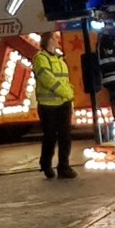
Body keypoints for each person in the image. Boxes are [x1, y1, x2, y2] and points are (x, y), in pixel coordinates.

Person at [33, 30, 77, 179]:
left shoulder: (60, 59)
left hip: (63, 103)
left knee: (65, 136)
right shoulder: (40, 58)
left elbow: (65, 80)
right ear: (49, 40)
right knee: (50, 137)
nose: (58, 40)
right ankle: (46, 164)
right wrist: (67, 93)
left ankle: (64, 167)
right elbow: (48, 80)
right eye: (55, 38)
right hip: (48, 106)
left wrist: (69, 94)